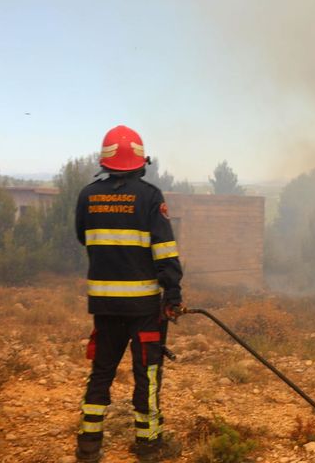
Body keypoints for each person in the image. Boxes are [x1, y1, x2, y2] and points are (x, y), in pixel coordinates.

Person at [74, 125, 184, 462]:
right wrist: (173, 292)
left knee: (102, 373)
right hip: (143, 309)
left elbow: (83, 237)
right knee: (146, 375)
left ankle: (88, 447)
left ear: (105, 162)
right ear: (141, 162)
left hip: (105, 307)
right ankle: (148, 446)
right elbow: (164, 250)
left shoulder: (88, 195)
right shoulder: (150, 197)